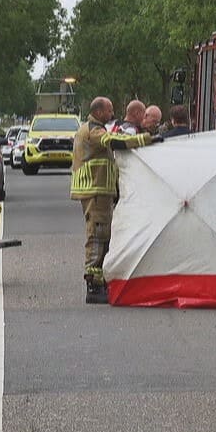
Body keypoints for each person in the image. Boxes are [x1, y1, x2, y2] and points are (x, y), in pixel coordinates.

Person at [70, 97, 152, 304]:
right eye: (109, 110)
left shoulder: (95, 128)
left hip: (99, 191)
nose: (112, 113)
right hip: (94, 190)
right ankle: (94, 284)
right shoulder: (94, 130)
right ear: (99, 112)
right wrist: (145, 140)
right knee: (97, 236)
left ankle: (98, 281)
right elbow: (114, 142)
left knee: (102, 235)